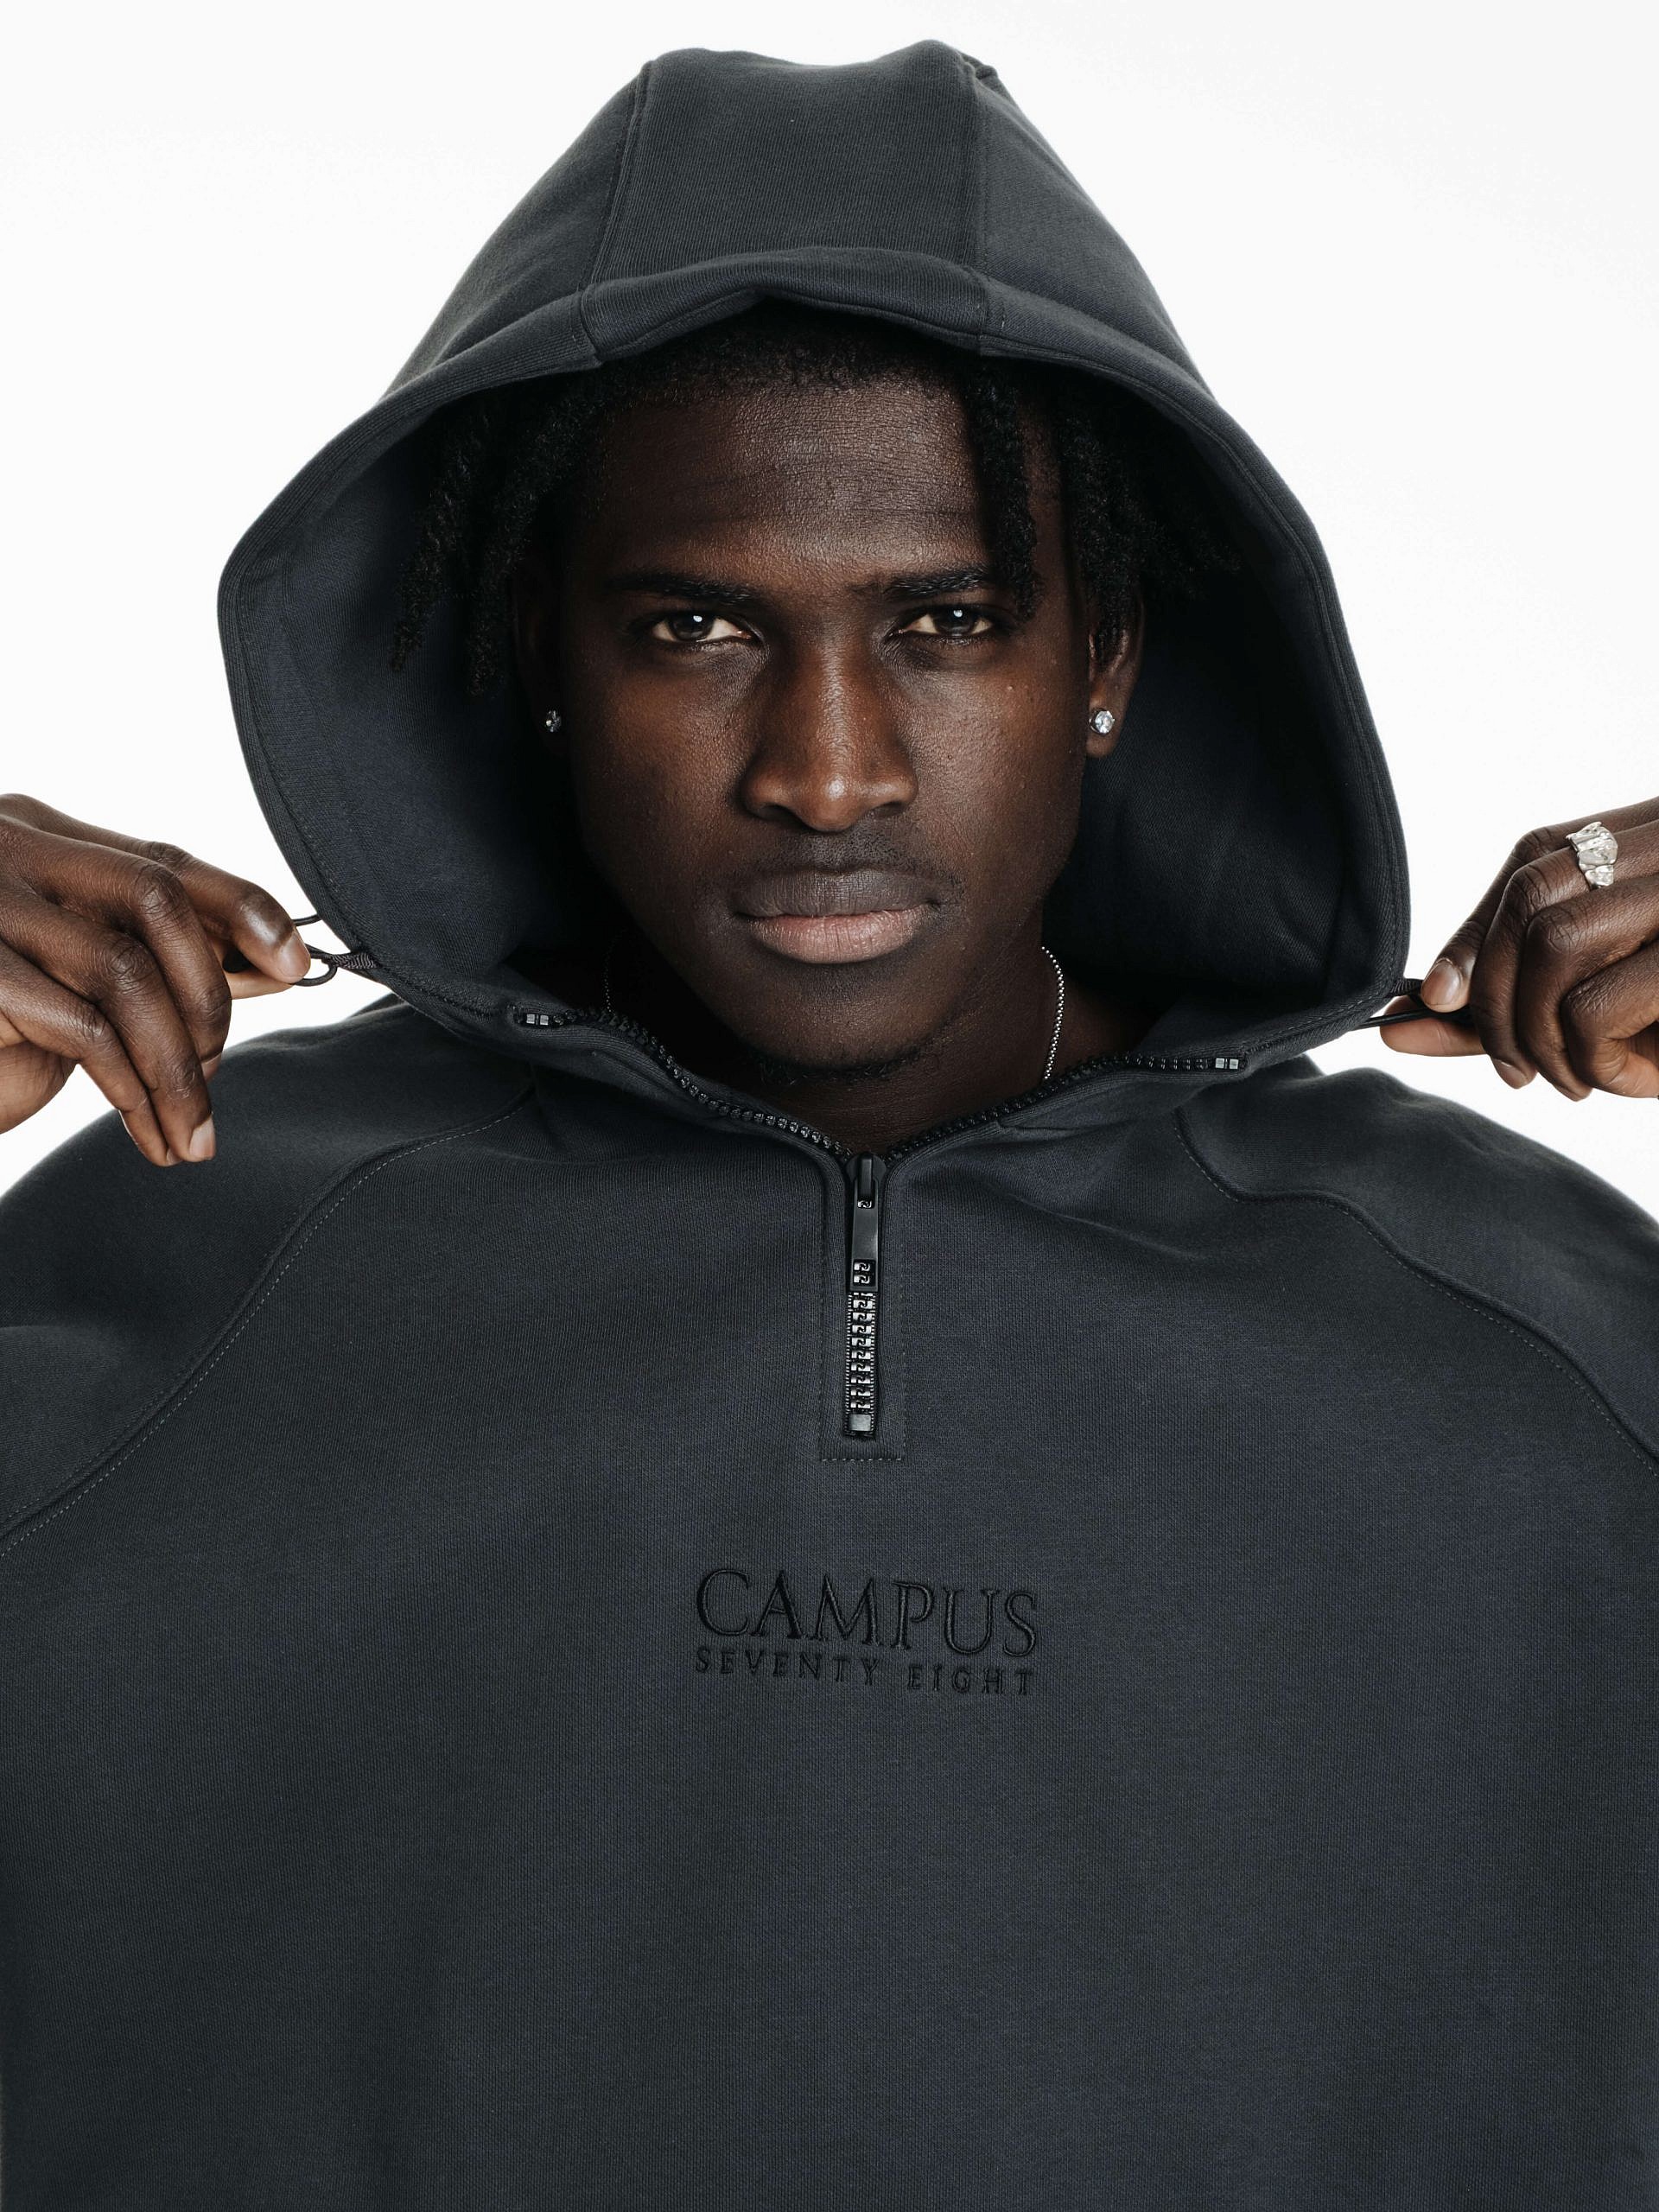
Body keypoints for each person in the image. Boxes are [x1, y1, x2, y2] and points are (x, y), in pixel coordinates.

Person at [2, 38, 1656, 2210]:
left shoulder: (1543, 1342)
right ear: (544, 652)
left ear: (1107, 654)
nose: (827, 768)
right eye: (693, 626)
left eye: (947, 621)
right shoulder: (171, 1251)